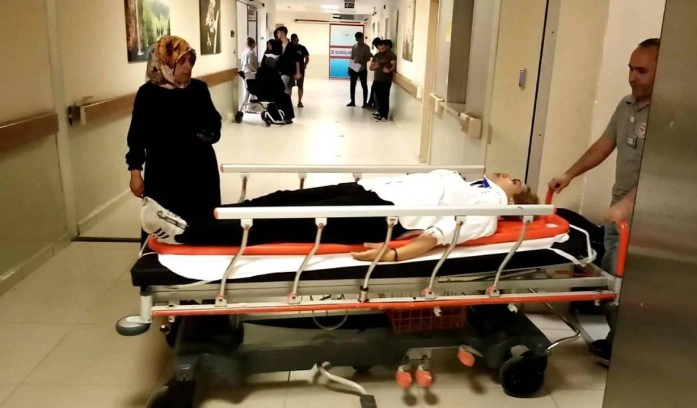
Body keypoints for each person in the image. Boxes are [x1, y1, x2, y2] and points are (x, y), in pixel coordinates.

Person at [140, 170, 539, 262]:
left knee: (276, 225)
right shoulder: (471, 185)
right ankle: (196, 218)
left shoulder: (487, 211)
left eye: (516, 180)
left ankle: (187, 234)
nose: (507, 173)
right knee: (280, 199)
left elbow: (440, 234)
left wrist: (393, 253)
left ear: (514, 200)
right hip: (367, 193)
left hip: (379, 216)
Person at [548, 38, 660, 366]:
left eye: (642, 71)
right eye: (630, 68)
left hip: (646, 215)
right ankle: (618, 342)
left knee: (628, 283)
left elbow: (659, 168)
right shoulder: (626, 105)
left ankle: (625, 348)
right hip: (618, 212)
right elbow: (604, 144)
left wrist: (629, 203)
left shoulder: (668, 116)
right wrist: (569, 174)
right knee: (613, 276)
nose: (632, 76)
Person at [125, 36, 222, 244]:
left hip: (199, 169)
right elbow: (137, 136)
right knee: (162, 222)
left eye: (191, 61)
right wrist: (135, 172)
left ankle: (201, 258)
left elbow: (215, 125)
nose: (188, 67)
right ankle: (158, 259)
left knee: (200, 223)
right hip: (163, 171)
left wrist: (205, 132)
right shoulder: (148, 94)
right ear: (165, 61)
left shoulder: (198, 89)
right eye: (182, 61)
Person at [258, 39, 294, 124]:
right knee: (285, 97)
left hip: (261, 93)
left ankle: (272, 115)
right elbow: (281, 87)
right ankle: (285, 117)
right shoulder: (274, 73)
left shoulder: (260, 71)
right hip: (271, 94)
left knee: (277, 96)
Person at [370, 39, 396, 121]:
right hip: (377, 79)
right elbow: (371, 67)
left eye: (383, 49)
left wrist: (388, 71)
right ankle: (380, 112)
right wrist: (375, 67)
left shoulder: (391, 55)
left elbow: (394, 66)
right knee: (378, 96)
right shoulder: (376, 56)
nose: (381, 50)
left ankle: (384, 114)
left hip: (386, 79)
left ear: (386, 47)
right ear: (378, 47)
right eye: (380, 49)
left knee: (385, 97)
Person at [347, 32, 373, 107]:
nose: (360, 40)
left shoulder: (366, 47)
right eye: (358, 39)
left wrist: (360, 61)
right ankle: (352, 101)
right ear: (356, 39)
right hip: (353, 68)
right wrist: (349, 67)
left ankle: (364, 102)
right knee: (352, 86)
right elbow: (352, 57)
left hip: (362, 69)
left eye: (361, 38)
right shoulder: (354, 46)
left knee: (364, 86)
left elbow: (368, 58)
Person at [275, 26, 302, 96]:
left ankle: (282, 101)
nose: (277, 34)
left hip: (288, 71)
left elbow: (297, 60)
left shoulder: (291, 46)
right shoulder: (277, 44)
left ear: (282, 33)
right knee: (286, 88)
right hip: (278, 70)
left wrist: (298, 72)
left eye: (278, 33)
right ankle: (286, 101)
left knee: (282, 85)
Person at [239, 37, 258, 108]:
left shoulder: (244, 52)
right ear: (252, 44)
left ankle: (244, 105)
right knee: (252, 90)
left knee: (247, 90)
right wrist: (255, 70)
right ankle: (250, 106)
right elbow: (250, 63)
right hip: (250, 73)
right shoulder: (251, 52)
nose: (255, 45)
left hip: (244, 72)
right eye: (254, 43)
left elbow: (242, 62)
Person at [290, 34, 309, 108]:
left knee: (300, 86)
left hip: (301, 70)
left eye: (296, 40)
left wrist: (305, 64)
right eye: (294, 40)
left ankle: (299, 101)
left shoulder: (302, 48)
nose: (296, 41)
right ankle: (289, 102)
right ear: (291, 40)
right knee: (289, 86)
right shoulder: (289, 48)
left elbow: (307, 57)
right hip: (291, 70)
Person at [366, 37, 382, 109]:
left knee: (375, 89)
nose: (376, 47)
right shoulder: (377, 54)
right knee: (373, 89)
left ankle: (373, 103)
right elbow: (371, 67)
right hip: (377, 76)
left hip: (381, 77)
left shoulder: (381, 55)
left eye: (376, 45)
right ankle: (372, 102)